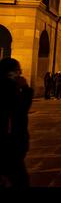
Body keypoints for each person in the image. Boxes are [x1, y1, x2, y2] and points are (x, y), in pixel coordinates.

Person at [0, 58, 33, 187]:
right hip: (9, 144)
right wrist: (26, 89)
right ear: (11, 72)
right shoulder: (9, 87)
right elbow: (20, 110)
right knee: (20, 180)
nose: (20, 74)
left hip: (9, 144)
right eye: (18, 71)